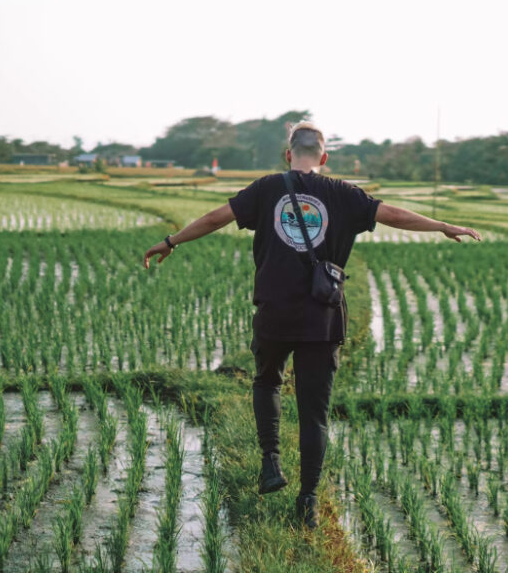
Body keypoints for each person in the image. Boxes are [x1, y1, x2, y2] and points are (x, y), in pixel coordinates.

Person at [143, 122, 480, 529]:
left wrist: (172, 240)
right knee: (313, 412)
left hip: (274, 312)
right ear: (324, 157)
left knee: (267, 381)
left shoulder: (267, 188)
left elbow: (217, 217)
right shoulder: (343, 194)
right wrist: (443, 225)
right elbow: (392, 215)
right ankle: (307, 501)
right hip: (322, 317)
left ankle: (270, 462)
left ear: (288, 155)